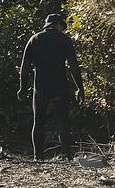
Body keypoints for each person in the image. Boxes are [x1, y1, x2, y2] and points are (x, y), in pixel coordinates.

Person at [18, 13, 85, 160]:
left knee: (38, 120)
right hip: (59, 85)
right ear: (59, 25)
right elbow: (74, 66)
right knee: (62, 120)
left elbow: (25, 67)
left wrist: (22, 86)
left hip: (40, 86)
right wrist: (80, 87)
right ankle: (67, 154)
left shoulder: (34, 39)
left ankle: (38, 156)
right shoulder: (64, 40)